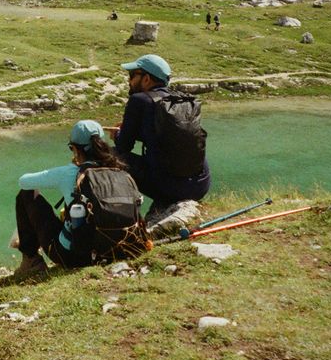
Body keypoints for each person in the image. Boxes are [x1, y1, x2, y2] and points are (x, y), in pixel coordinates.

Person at [13, 120, 130, 279]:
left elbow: (23, 181)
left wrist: (64, 172)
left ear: (74, 148)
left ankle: (31, 261)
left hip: (74, 256)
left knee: (26, 194)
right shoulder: (119, 169)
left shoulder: (70, 172)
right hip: (117, 248)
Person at [113, 54, 210, 212]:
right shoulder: (183, 100)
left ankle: (118, 214)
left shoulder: (139, 100)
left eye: (132, 75)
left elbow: (124, 146)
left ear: (146, 79)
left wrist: (118, 134)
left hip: (169, 189)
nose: (129, 81)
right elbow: (165, 137)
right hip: (201, 185)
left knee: (108, 154)